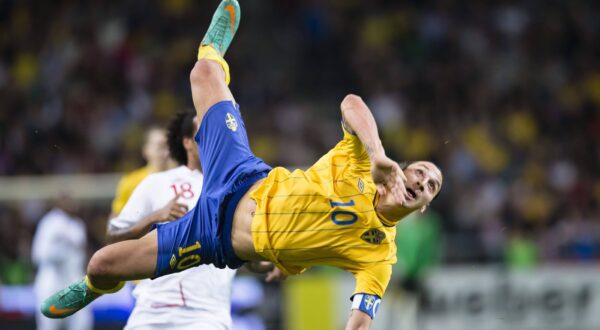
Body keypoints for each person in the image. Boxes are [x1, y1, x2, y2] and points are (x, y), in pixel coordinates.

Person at [41, 1, 443, 329]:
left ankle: (94, 286)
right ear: (404, 170)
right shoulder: (365, 161)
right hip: (243, 174)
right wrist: (376, 154)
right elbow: (352, 102)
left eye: (431, 186)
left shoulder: (380, 257)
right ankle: (213, 49)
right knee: (202, 72)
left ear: (422, 205)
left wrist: (293, 265)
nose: (423, 180)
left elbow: (360, 317)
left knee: (102, 264)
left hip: (212, 237)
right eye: (421, 171)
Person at [106, 110, 237, 330]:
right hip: (151, 310)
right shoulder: (153, 183)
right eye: (203, 133)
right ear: (187, 142)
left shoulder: (234, 189)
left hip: (206, 316)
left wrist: (268, 261)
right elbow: (113, 238)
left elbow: (246, 252)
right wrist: (154, 218)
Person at [32, 195, 92, 330]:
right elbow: (38, 254)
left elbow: (82, 254)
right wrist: (62, 251)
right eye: (67, 201)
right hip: (51, 281)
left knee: (81, 324)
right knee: (49, 325)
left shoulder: (77, 224)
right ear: (58, 203)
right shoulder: (49, 222)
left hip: (74, 281)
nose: (71, 204)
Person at [109, 127, 171, 219]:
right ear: (146, 150)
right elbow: (115, 221)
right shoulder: (131, 182)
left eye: (169, 147)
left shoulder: (181, 179)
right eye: (160, 147)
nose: (166, 153)